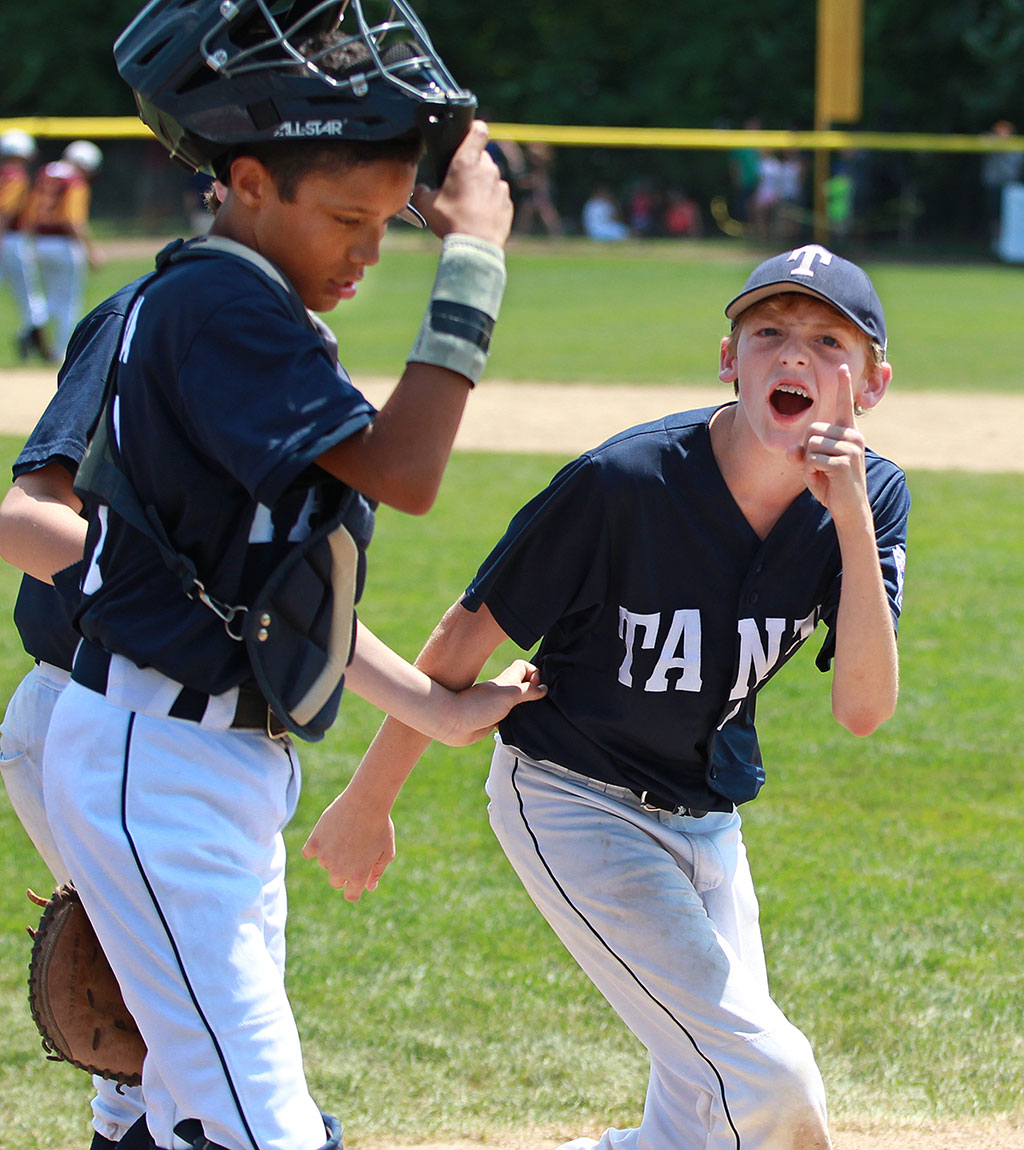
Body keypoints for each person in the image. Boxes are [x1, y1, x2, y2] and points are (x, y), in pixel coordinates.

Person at [34, 3, 546, 1150]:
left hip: (209, 760)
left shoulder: (248, 303)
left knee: (190, 1107)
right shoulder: (214, 302)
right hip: (159, 762)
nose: (369, 248)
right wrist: (471, 254)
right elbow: (406, 469)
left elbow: (277, 581)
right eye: (346, 218)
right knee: (259, 1123)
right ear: (248, 183)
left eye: (387, 222)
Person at [304, 244, 910, 1150]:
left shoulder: (874, 499)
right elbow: (463, 641)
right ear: (727, 360)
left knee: (699, 1115)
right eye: (768, 332)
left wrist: (851, 519)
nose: (794, 356)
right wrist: (370, 796)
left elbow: (863, 709)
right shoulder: (623, 483)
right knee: (769, 1078)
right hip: (572, 799)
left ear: (870, 384)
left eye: (830, 342)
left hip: (709, 821)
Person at [0, 275, 154, 1150]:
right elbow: (27, 517)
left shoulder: (283, 342)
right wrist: (190, 614)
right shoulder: (145, 320)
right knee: (186, 1041)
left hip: (171, 731)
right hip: (95, 710)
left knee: (154, 1048)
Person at [21, 139, 104, 362]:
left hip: (39, 242)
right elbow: (73, 219)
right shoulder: (74, 180)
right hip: (64, 244)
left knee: (51, 296)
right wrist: (90, 251)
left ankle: (31, 327)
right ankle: (60, 352)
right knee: (69, 301)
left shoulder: (45, 173)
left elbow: (29, 211)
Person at [0, 129, 51, 360]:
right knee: (29, 293)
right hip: (11, 240)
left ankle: (35, 340)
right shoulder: (16, 175)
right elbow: (6, 211)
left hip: (8, 239)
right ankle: (35, 339)